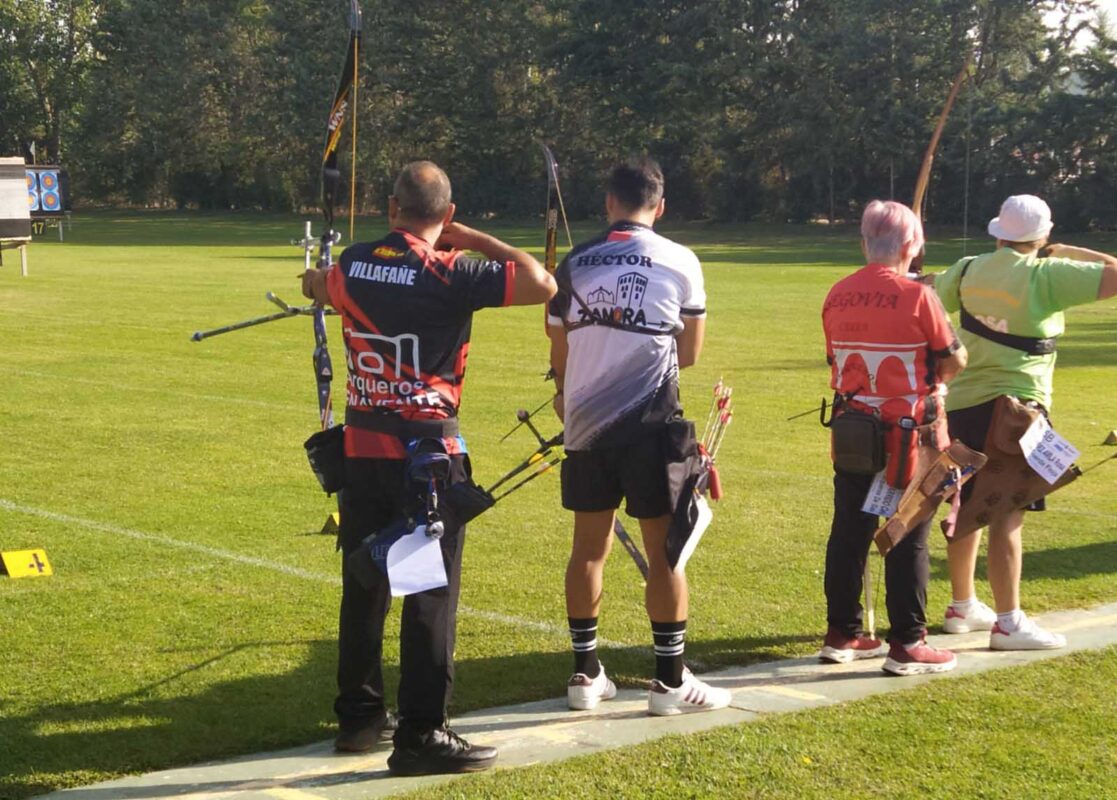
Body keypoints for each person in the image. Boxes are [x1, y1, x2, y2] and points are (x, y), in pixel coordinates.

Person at [302, 161, 556, 774]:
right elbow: (542, 282)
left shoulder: (354, 264)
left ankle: (359, 718)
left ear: (393, 208)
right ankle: (421, 735)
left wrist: (318, 280)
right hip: (427, 460)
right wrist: (472, 239)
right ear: (447, 214)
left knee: (365, 584)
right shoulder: (452, 270)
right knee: (428, 596)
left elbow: (317, 286)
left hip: (363, 454)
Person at [546, 156, 731, 715]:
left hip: (585, 424)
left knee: (587, 550)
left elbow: (559, 355)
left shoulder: (574, 262)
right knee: (665, 554)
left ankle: (584, 676)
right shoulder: (681, 259)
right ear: (661, 206)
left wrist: (573, 390)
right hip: (652, 426)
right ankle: (669, 684)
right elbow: (689, 353)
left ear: (609, 202)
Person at [933, 194, 1117, 649]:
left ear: (998, 232)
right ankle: (1008, 623)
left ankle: (962, 606)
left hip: (963, 403)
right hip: (1017, 410)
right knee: (1008, 510)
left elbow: (931, 295)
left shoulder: (968, 268)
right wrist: (1070, 251)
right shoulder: (1047, 273)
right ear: (1043, 234)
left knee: (965, 504)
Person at [819, 200, 967, 676]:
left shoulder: (838, 293)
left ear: (865, 243)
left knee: (850, 530)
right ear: (911, 246)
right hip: (911, 436)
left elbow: (835, 358)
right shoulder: (919, 297)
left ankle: (842, 632)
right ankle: (908, 642)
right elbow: (954, 357)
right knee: (909, 533)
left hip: (853, 431)